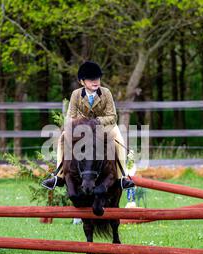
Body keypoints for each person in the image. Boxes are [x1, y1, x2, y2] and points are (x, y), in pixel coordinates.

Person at [41, 61, 135, 190]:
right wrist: (76, 126)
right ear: (82, 82)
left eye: (97, 78)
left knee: (119, 138)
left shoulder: (106, 93)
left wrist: (97, 121)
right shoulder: (76, 94)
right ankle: (59, 175)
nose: (95, 81)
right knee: (63, 138)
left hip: (104, 127)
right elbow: (70, 117)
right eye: (91, 79)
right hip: (82, 128)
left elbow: (112, 116)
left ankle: (122, 177)